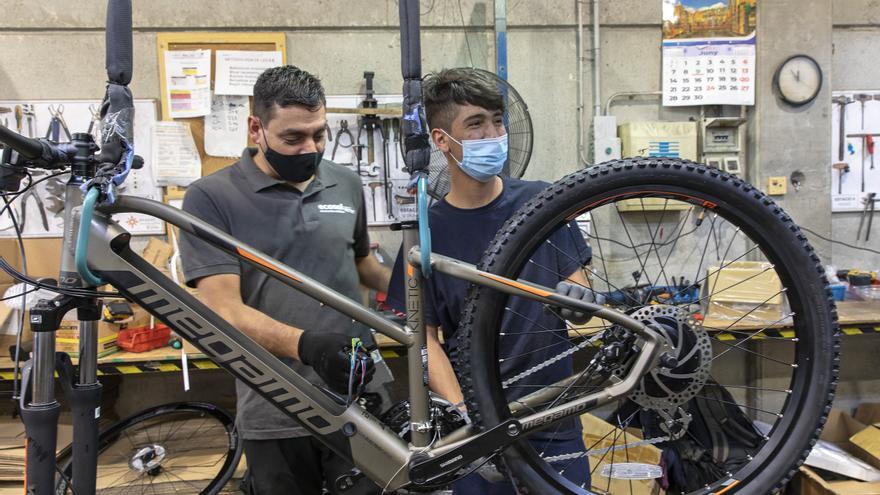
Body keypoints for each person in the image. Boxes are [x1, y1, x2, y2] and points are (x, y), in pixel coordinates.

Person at [179, 65, 391, 495]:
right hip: (277, 401)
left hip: (361, 392)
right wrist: (308, 346)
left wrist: (425, 287)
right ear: (256, 128)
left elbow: (363, 265)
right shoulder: (211, 198)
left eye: (319, 134)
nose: (309, 149)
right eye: (293, 138)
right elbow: (223, 309)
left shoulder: (346, 183)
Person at [387, 67, 599, 493]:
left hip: (553, 415)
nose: (493, 134)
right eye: (476, 124)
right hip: (479, 427)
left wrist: (579, 300)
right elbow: (421, 338)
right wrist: (465, 411)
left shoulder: (543, 202)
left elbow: (583, 303)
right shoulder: (427, 233)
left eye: (497, 120)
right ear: (442, 141)